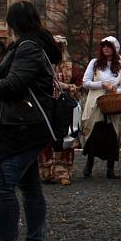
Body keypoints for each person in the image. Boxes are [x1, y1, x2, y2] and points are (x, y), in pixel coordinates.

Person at [0, 1, 61, 241]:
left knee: (1, 186)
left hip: (22, 127)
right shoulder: (34, 45)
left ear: (15, 23)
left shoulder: (29, 47)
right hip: (26, 125)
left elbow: (12, 86)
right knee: (29, 186)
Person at [81, 37, 121, 179]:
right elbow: (86, 82)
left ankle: (110, 168)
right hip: (97, 102)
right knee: (94, 133)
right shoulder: (95, 63)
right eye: (104, 46)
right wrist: (102, 84)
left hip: (113, 102)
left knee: (112, 135)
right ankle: (88, 165)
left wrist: (115, 91)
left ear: (115, 49)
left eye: (109, 46)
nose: (106, 49)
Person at [38, 36, 80, 185]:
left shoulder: (70, 66)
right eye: (56, 45)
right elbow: (43, 82)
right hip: (47, 104)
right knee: (47, 137)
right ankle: (46, 172)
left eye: (61, 46)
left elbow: (78, 82)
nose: (58, 48)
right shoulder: (43, 64)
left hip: (63, 106)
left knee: (65, 137)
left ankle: (63, 172)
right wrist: (65, 86)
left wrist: (73, 88)